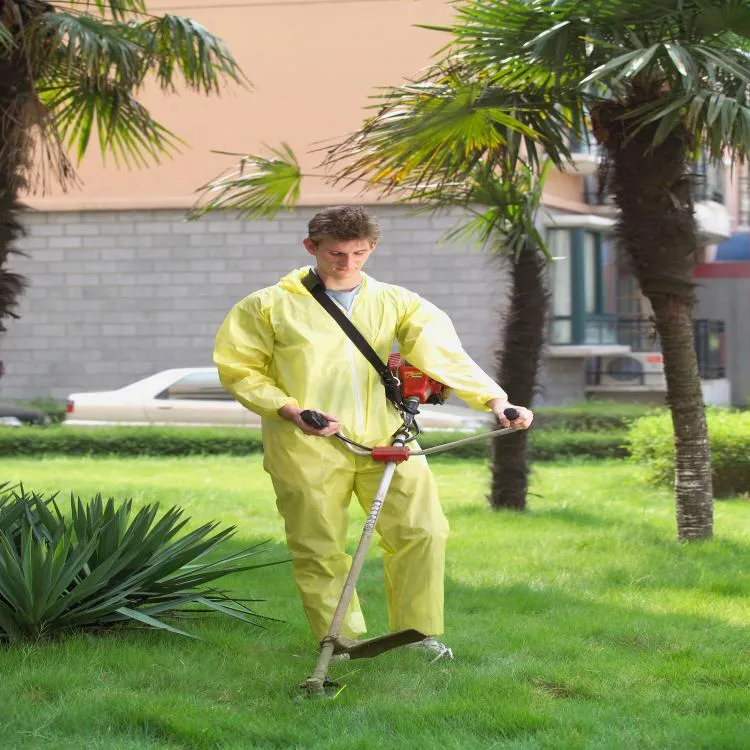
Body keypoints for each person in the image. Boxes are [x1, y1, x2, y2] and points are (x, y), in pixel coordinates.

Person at [213, 206, 533, 660]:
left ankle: (417, 636)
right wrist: (291, 409)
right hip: (307, 442)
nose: (347, 263)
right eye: (336, 254)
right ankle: (339, 640)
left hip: (389, 436)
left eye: (358, 253)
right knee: (319, 544)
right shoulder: (266, 306)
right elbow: (239, 369)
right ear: (311, 248)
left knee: (422, 531)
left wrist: (495, 400)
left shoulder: (399, 302)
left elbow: (444, 354)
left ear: (372, 248)